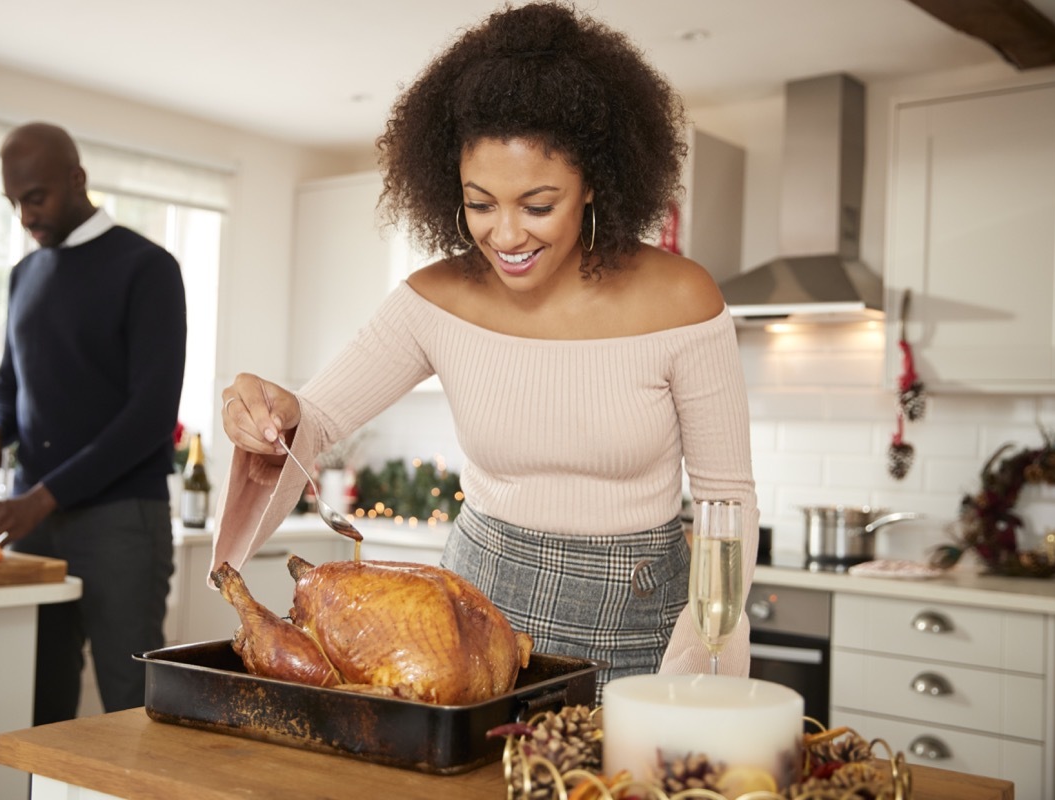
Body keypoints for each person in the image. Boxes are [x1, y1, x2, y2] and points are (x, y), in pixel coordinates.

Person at [215, 2, 758, 696]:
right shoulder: (434, 301)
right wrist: (269, 409)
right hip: (465, 618)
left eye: (537, 205)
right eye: (480, 203)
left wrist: (702, 672)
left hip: (637, 621)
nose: (505, 235)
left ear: (594, 182)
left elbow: (726, 505)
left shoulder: (681, 299)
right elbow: (311, 419)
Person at [0, 122, 187, 724]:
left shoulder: (148, 267)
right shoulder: (23, 276)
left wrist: (40, 498)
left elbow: (150, 418)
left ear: (77, 180)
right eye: (13, 202)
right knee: (37, 705)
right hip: (34, 522)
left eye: (36, 197)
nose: (25, 216)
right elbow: (9, 384)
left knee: (133, 710)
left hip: (120, 527)